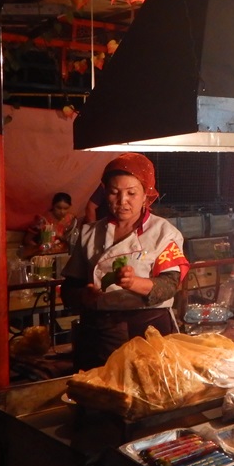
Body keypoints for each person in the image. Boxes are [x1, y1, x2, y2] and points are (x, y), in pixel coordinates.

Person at [62, 153, 190, 370]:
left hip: (148, 331)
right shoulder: (90, 234)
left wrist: (134, 283)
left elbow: (170, 285)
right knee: (99, 392)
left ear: (146, 195)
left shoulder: (163, 233)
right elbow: (68, 289)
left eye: (131, 193)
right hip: (98, 332)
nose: (122, 202)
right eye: (114, 193)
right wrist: (84, 295)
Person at [21, 192, 78, 258]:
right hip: (45, 256)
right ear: (53, 206)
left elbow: (73, 239)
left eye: (65, 209)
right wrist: (39, 249)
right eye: (58, 208)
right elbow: (27, 239)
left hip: (65, 255)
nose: (62, 211)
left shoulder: (72, 219)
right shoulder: (43, 220)